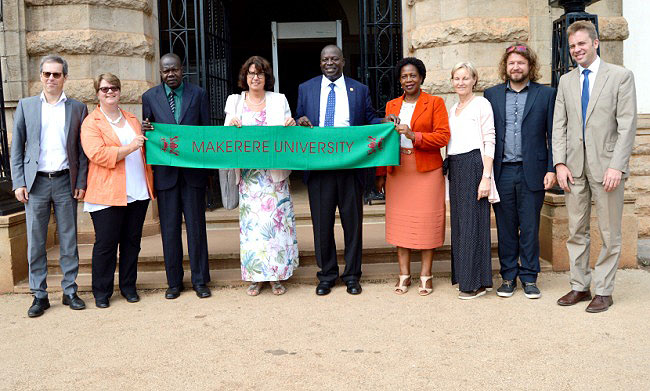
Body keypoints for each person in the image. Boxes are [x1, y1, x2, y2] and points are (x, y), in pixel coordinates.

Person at [553, 21, 637, 313]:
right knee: (576, 229)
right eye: (573, 46)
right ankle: (579, 286)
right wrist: (560, 162)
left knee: (610, 232)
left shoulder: (620, 76)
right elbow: (559, 125)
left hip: (607, 167)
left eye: (582, 44)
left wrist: (617, 165)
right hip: (573, 168)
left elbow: (627, 125)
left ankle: (604, 290)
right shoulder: (565, 81)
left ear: (595, 42)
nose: (577, 50)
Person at [296, 44, 381, 296]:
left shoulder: (359, 89)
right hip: (319, 168)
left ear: (343, 61)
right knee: (322, 225)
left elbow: (370, 120)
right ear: (320, 62)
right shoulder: (306, 88)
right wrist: (300, 120)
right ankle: (327, 275)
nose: (329, 62)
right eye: (325, 59)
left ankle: (353, 275)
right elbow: (298, 117)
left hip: (350, 167)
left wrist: (385, 122)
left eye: (334, 58)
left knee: (352, 224)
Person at [10, 55, 88, 317]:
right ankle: (39, 295)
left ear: (65, 77)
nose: (51, 79)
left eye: (56, 74)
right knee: (36, 241)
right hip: (36, 183)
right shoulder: (26, 106)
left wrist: (81, 181)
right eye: (46, 74)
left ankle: (69, 290)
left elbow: (82, 150)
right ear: (41, 76)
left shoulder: (78, 108)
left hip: (66, 180)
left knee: (68, 238)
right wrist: (18, 182)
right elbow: (16, 149)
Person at [483, 44, 556, 299]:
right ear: (505, 67)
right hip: (502, 172)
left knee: (529, 226)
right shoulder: (490, 95)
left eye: (521, 63)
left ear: (530, 66)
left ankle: (529, 277)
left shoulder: (545, 95)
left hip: (532, 171)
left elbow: (553, 134)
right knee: (505, 227)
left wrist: (551, 168)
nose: (516, 67)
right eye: (512, 63)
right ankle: (508, 277)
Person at [224, 56, 298, 296]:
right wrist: (230, 124)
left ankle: (277, 277)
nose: (255, 77)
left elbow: (289, 132)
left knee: (276, 228)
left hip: (274, 177)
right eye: (251, 73)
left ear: (267, 77)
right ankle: (255, 277)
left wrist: (291, 124)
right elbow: (225, 139)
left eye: (260, 73)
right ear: (244, 77)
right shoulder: (234, 102)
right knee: (254, 229)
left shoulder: (279, 100)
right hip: (249, 178)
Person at [375, 57, 450, 296]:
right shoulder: (391, 105)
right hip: (398, 171)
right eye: (404, 76)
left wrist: (413, 134)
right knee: (401, 224)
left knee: (427, 223)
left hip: (427, 171)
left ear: (421, 78)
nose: (409, 80)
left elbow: (443, 137)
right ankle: (404, 275)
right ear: (399, 80)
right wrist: (380, 174)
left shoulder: (435, 103)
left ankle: (426, 275)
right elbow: (382, 142)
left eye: (413, 75)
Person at [80, 73, 155, 308]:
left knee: (132, 242)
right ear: (97, 94)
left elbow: (145, 147)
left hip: (137, 190)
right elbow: (97, 154)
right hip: (107, 193)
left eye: (114, 88)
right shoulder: (91, 122)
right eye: (104, 89)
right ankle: (101, 292)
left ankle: (128, 287)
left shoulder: (132, 118)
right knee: (106, 244)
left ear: (120, 91)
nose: (110, 92)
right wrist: (130, 147)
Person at [141, 53, 212, 299]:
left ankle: (201, 281)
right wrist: (145, 128)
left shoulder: (198, 94)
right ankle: (174, 283)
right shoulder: (149, 97)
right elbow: (147, 130)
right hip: (166, 177)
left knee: (196, 229)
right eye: (165, 71)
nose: (170, 74)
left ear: (182, 69)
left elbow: (205, 135)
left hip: (193, 176)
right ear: (160, 73)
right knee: (169, 231)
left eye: (174, 69)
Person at [447, 62, 498, 300]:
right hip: (456, 166)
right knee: (460, 224)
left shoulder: (481, 104)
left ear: (474, 80)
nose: (461, 82)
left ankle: (473, 283)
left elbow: (490, 140)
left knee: (472, 225)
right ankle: (471, 277)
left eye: (465, 78)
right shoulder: (452, 107)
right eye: (457, 78)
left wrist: (485, 177)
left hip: (474, 165)